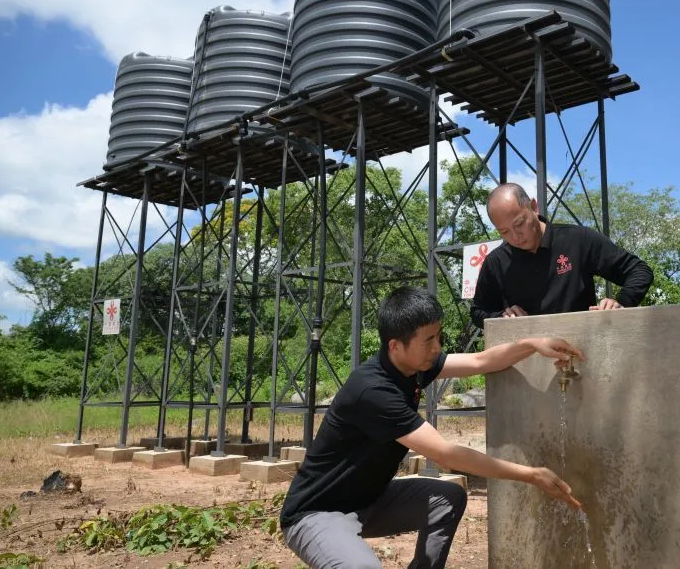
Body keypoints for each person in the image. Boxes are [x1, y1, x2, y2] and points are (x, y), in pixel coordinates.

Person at [280, 286, 584, 568]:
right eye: (429, 340)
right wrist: (530, 474)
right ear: (395, 346)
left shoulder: (411, 367)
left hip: (369, 501)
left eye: (438, 337)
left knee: (447, 499)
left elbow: (480, 361)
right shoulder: (373, 391)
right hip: (318, 513)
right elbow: (447, 455)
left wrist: (533, 344)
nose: (437, 347)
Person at [470, 183, 654, 328]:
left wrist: (620, 303)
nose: (515, 236)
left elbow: (639, 270)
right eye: (504, 232)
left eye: (519, 224)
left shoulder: (578, 239)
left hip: (584, 349)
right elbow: (478, 312)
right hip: (528, 358)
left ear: (534, 207)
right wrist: (502, 316)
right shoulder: (495, 262)